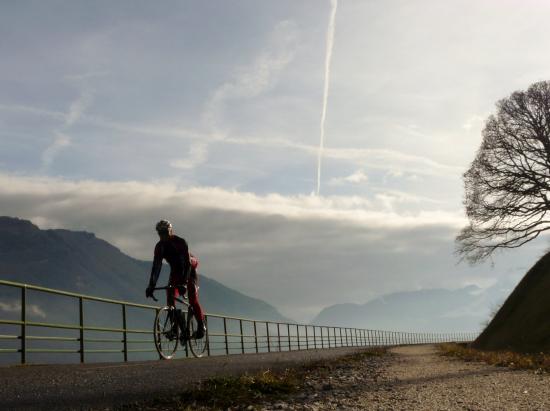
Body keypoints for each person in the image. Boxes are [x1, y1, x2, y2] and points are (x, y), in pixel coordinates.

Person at [145, 219, 206, 339]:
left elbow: (187, 265)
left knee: (193, 299)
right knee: (170, 294)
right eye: (160, 233)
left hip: (189, 268)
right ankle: (175, 328)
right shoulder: (159, 247)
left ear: (171, 231)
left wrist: (184, 283)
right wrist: (151, 285)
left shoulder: (180, 242)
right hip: (176, 271)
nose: (163, 236)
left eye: (165, 232)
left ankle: (201, 325)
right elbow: (156, 267)